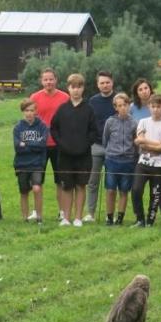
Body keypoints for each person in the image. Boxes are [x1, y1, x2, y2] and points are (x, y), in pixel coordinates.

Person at [49, 74, 99, 227]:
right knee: (66, 186)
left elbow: (93, 132)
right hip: (65, 155)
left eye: (79, 87)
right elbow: (54, 128)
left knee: (80, 185)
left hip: (83, 155)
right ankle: (66, 217)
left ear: (83, 88)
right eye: (73, 87)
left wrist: (84, 145)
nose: (76, 90)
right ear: (68, 88)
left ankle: (78, 217)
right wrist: (62, 144)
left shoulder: (89, 109)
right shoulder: (62, 109)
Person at [29, 68, 70, 218]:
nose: (48, 82)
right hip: (39, 145)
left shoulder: (65, 97)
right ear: (41, 81)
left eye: (51, 79)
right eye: (45, 79)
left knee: (60, 180)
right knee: (37, 181)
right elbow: (30, 118)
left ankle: (61, 211)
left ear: (56, 80)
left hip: (58, 144)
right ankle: (36, 211)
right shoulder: (35, 97)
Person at [132, 94, 161, 226]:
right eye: (153, 106)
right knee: (136, 189)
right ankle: (140, 219)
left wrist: (148, 143)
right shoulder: (143, 122)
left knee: (155, 193)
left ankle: (150, 220)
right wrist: (156, 144)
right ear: (149, 107)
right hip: (143, 162)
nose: (155, 109)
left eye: (158, 107)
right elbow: (139, 141)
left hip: (159, 164)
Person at [84, 70, 117, 222]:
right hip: (96, 146)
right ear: (98, 85)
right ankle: (90, 212)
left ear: (112, 83)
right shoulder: (93, 101)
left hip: (114, 147)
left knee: (111, 183)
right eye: (102, 83)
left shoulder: (118, 100)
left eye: (107, 82)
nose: (105, 85)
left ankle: (110, 214)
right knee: (92, 181)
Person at [101, 92, 138, 226]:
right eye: (119, 106)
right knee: (111, 189)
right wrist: (110, 152)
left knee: (124, 190)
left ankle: (120, 217)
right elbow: (105, 139)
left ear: (129, 106)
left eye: (125, 105)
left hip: (128, 160)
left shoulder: (134, 123)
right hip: (112, 160)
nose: (122, 108)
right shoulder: (110, 122)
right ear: (115, 107)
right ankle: (109, 217)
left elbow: (135, 141)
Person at [11, 98, 49, 223]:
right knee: (24, 191)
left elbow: (42, 144)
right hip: (21, 163)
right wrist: (34, 144)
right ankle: (25, 217)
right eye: (26, 110)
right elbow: (18, 147)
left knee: (37, 188)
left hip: (37, 163)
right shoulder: (18, 127)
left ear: (36, 111)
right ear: (23, 111)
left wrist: (25, 144)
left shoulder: (42, 126)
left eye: (31, 110)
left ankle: (39, 216)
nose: (29, 113)